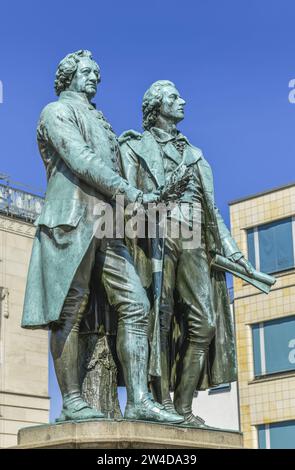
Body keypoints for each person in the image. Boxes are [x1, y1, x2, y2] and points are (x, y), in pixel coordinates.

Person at [21, 56, 183, 424]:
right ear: (67, 76)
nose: (95, 77)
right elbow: (82, 160)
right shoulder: (56, 111)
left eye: (97, 73)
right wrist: (129, 191)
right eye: (87, 72)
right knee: (70, 310)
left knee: (137, 305)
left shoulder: (100, 120)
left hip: (108, 224)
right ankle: (73, 401)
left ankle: (139, 400)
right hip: (72, 219)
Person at [119, 80, 255, 426]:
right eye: (173, 97)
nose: (182, 102)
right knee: (157, 323)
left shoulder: (195, 155)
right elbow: (125, 201)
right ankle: (160, 402)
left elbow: (212, 211)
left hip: (195, 239)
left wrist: (233, 251)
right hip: (156, 237)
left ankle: (182, 406)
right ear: (156, 106)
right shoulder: (135, 146)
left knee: (205, 324)